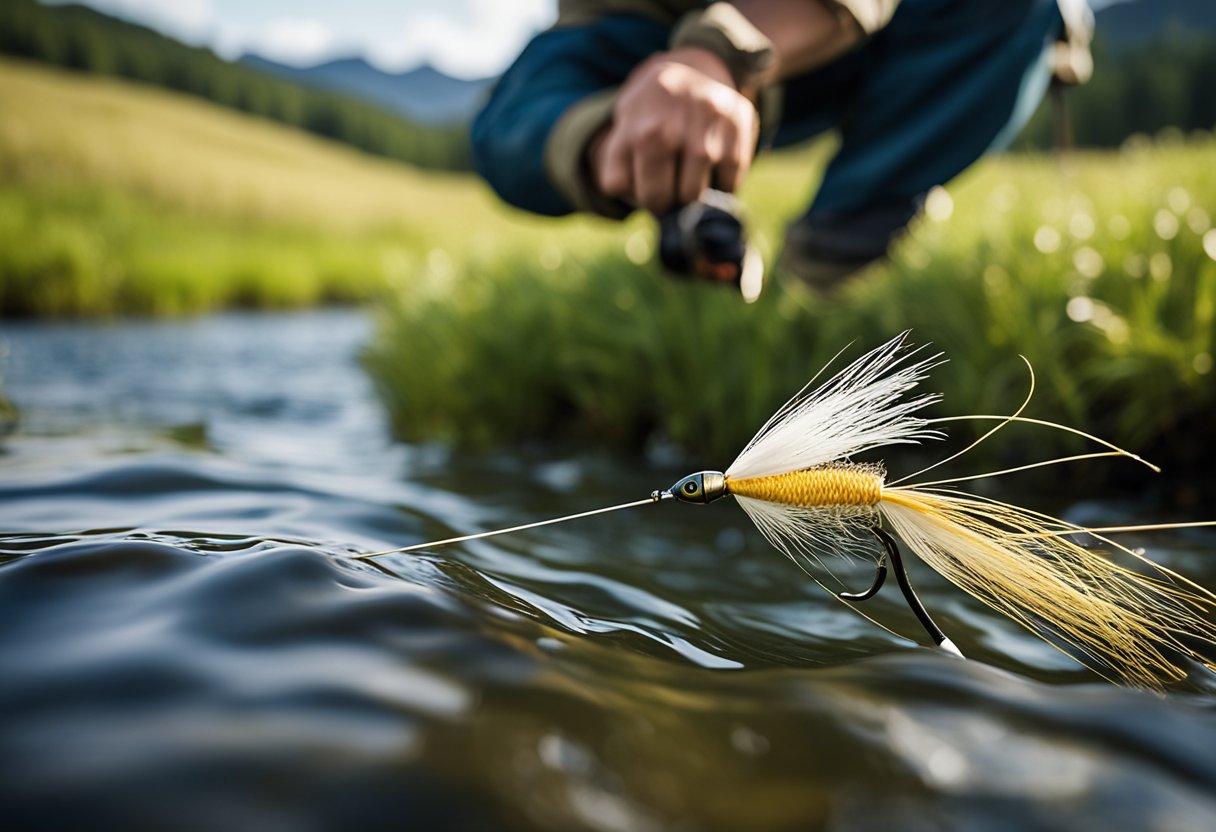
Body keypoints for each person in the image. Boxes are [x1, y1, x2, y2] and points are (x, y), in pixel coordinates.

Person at [472, 0, 1092, 289]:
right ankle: (642, 153)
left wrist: (720, 52)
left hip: (841, 34)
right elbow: (507, 132)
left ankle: (836, 253)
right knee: (505, 128)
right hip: (632, 30)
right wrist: (619, 142)